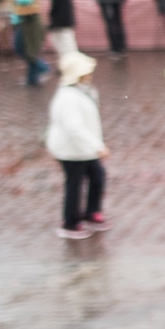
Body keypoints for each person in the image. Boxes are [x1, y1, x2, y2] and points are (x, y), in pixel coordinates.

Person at [47, 48, 109, 237]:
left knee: (97, 176)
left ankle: (91, 212)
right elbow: (74, 129)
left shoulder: (83, 90)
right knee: (74, 183)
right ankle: (70, 223)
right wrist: (97, 146)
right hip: (71, 151)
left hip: (83, 149)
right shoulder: (68, 98)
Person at [12, 0, 49, 86]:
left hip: (28, 21)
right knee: (28, 49)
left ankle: (42, 67)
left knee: (21, 48)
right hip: (27, 20)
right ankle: (32, 78)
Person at [47, 0, 78, 65]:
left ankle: (70, 63)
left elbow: (56, 1)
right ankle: (69, 62)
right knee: (67, 40)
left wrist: (51, 13)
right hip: (65, 16)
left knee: (64, 41)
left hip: (60, 17)